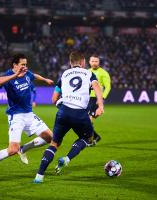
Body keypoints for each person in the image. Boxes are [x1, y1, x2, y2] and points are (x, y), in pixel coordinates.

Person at [33, 51, 104, 183]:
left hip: (63, 112)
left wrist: (63, 107)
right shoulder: (88, 73)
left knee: (54, 143)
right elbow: (96, 86)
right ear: (83, 62)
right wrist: (100, 105)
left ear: (71, 63)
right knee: (87, 138)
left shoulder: (64, 74)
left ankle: (39, 176)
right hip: (80, 114)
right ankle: (67, 159)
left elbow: (53, 99)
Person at [0, 53, 54, 175]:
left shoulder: (27, 73)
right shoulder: (9, 76)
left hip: (29, 114)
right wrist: (15, 75)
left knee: (50, 138)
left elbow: (34, 75)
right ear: (15, 65)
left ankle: (23, 149)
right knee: (12, 150)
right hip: (16, 116)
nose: (25, 67)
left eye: (26, 64)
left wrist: (45, 79)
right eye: (22, 64)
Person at [88, 55, 111, 145]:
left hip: (96, 99)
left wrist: (102, 98)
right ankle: (95, 137)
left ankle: (90, 140)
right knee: (85, 120)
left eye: (96, 61)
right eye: (92, 61)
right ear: (89, 62)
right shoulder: (87, 72)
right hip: (87, 98)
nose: (94, 63)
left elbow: (108, 87)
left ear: (99, 62)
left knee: (89, 119)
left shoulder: (103, 73)